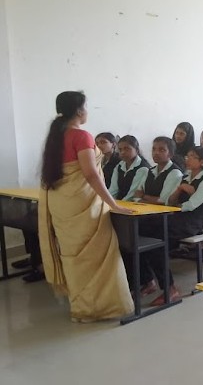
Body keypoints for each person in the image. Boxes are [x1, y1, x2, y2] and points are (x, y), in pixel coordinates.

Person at [38, 91, 134, 322]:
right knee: (97, 257)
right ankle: (96, 309)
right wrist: (113, 205)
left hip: (62, 202)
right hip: (83, 204)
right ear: (79, 111)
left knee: (73, 257)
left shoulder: (55, 136)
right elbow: (91, 174)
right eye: (86, 107)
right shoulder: (81, 136)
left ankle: (80, 306)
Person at [141, 146, 203, 305]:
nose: (188, 159)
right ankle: (146, 280)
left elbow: (192, 205)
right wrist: (180, 188)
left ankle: (170, 288)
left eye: (193, 157)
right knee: (141, 231)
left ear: (202, 162)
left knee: (156, 242)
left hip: (191, 222)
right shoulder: (186, 176)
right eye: (187, 155)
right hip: (176, 216)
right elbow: (170, 201)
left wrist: (176, 206)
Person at [133, 137, 184, 205]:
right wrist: (142, 199)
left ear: (170, 154)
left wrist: (143, 196)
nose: (156, 153)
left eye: (162, 150)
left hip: (162, 214)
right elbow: (137, 194)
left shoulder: (174, 173)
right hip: (143, 211)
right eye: (154, 149)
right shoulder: (150, 170)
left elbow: (163, 201)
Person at [108, 135, 151, 201]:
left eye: (127, 149)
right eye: (120, 149)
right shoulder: (119, 166)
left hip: (132, 204)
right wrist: (108, 202)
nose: (122, 152)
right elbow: (113, 190)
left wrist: (118, 206)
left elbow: (132, 194)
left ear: (136, 150)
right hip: (118, 203)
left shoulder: (143, 168)